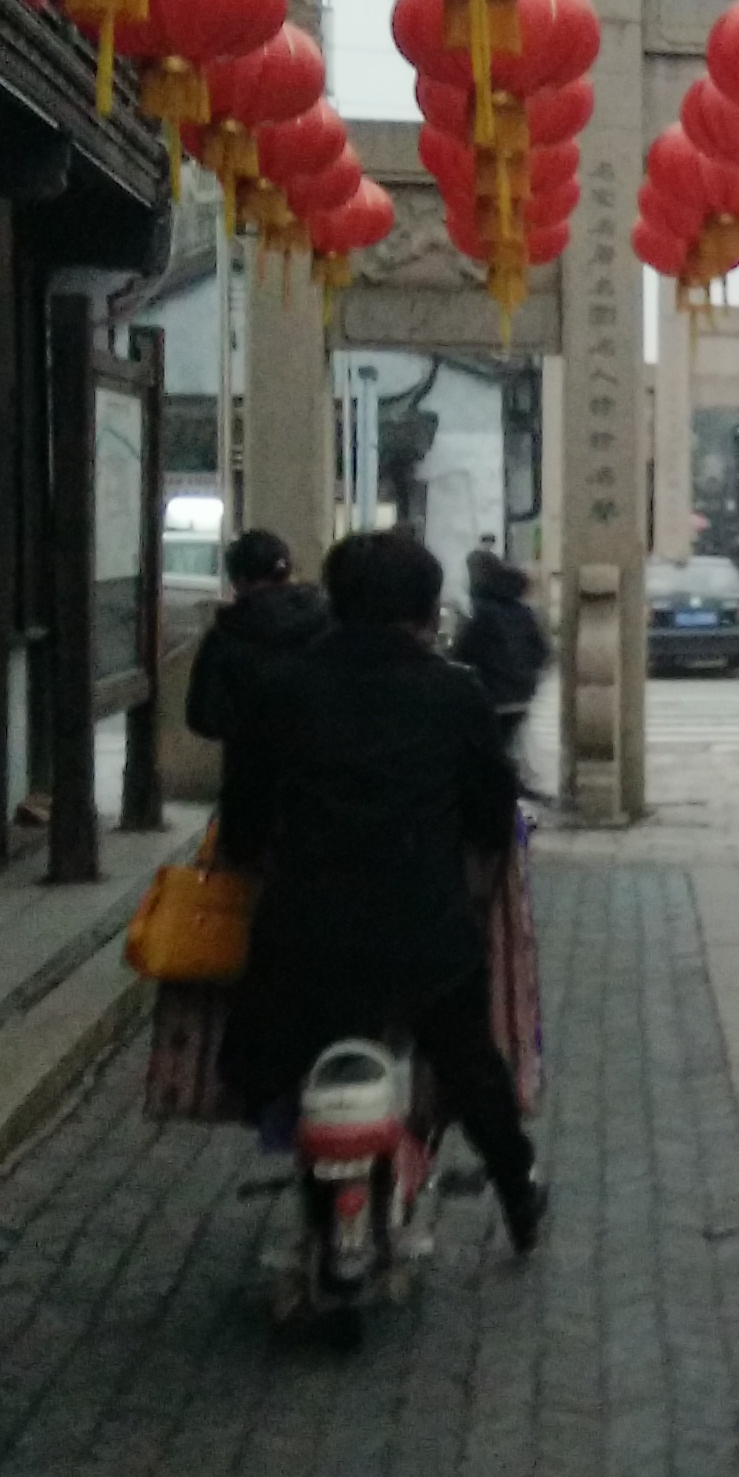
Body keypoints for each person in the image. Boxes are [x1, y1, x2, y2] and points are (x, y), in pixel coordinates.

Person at [216, 529, 544, 1251]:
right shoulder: (454, 695)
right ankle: (517, 1192)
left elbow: (240, 826)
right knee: (467, 1058)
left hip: (304, 939)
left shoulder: (282, 690)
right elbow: (494, 817)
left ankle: (311, 1168)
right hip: (424, 935)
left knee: (275, 1041)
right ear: (425, 611)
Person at [184, 528, 326, 749]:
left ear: (238, 581)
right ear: (287, 570)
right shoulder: (326, 620)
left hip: (251, 769)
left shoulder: (225, 636)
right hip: (321, 767)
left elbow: (204, 718)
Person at [451, 546, 550, 775]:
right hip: (522, 694)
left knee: (484, 754)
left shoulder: (482, 612)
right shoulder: (521, 609)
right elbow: (542, 651)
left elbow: (463, 653)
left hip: (492, 697)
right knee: (505, 747)